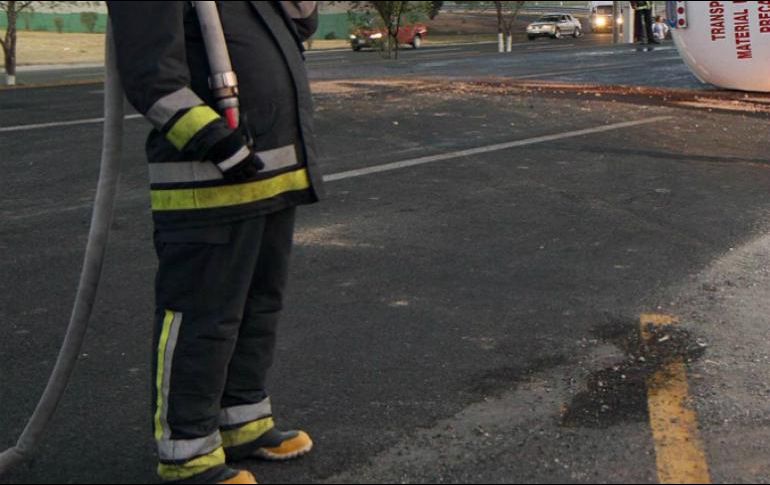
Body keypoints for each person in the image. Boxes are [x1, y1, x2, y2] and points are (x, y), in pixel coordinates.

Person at [106, 2, 324, 483]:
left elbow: (302, 24)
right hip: (208, 180)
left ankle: (242, 421)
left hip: (272, 174)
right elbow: (151, 77)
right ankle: (187, 453)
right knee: (199, 319)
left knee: (256, 307)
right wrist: (215, 142)